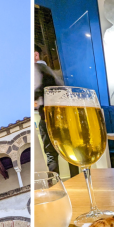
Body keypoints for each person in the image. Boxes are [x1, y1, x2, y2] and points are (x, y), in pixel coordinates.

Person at [34, 43, 66, 174]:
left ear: (35, 55)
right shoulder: (50, 70)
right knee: (66, 150)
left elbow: (37, 92)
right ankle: (75, 181)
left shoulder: (38, 68)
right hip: (60, 115)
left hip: (50, 117)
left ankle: (56, 184)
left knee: (51, 153)